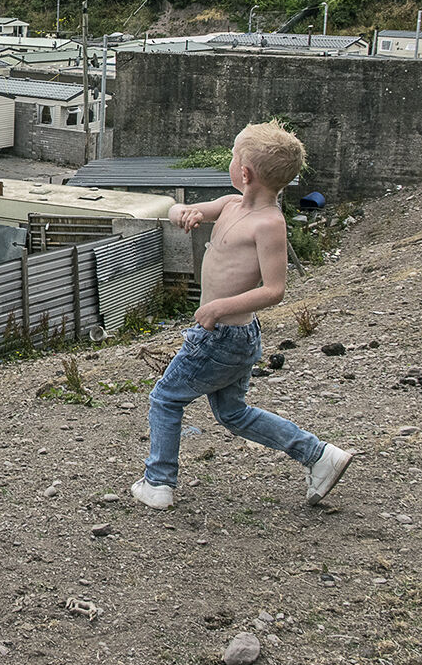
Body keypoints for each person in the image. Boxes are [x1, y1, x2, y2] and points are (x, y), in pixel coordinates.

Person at [131, 120, 352, 510]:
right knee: (233, 413)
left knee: (165, 398)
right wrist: (183, 213)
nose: (230, 164)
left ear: (245, 173)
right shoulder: (229, 205)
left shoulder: (269, 224)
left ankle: (159, 482)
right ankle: (319, 456)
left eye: (233, 158)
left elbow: (274, 290)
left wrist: (218, 307)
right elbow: (176, 209)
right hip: (233, 338)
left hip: (222, 337)